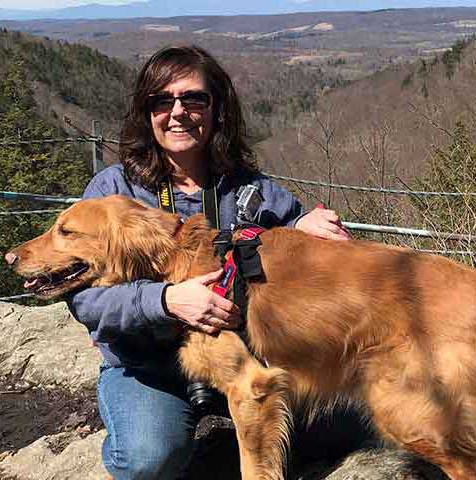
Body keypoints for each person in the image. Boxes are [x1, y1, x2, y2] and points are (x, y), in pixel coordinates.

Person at [68, 45, 369, 480]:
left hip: (240, 356)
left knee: (359, 421)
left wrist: (311, 225)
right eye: (162, 101)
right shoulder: (114, 191)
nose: (178, 113)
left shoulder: (243, 184)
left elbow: (291, 222)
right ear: (145, 111)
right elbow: (87, 302)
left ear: (216, 108)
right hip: (148, 364)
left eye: (193, 99)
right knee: (149, 459)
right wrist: (167, 301)